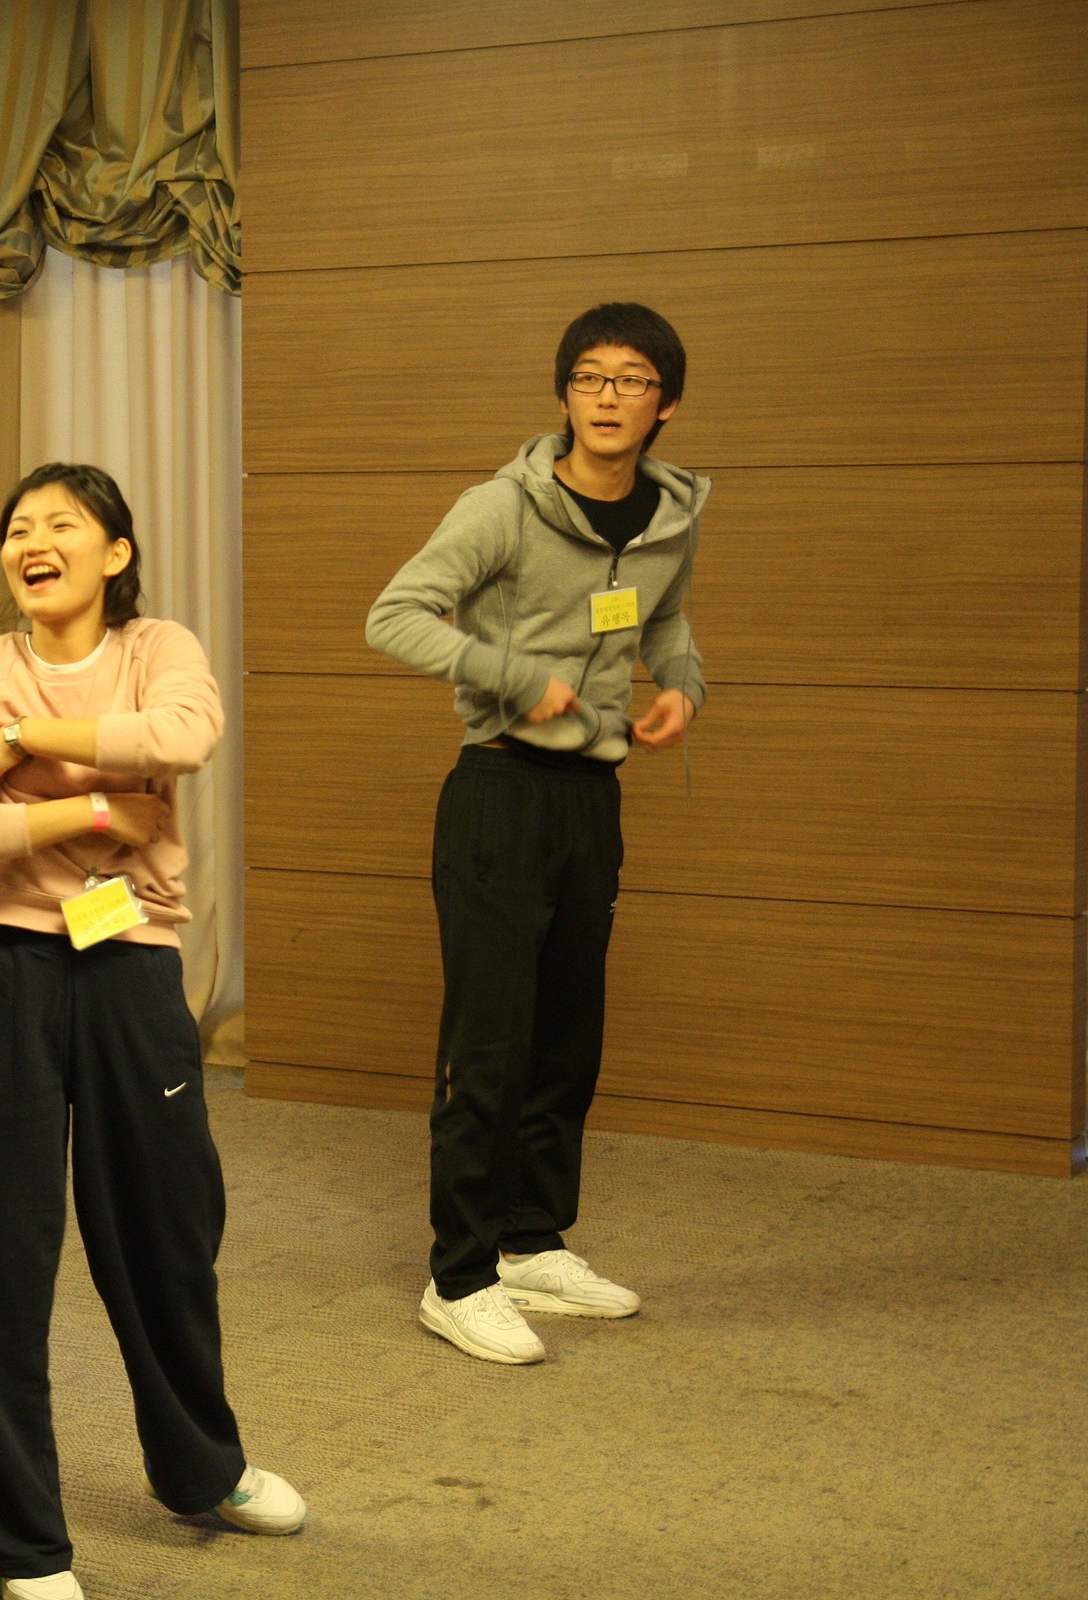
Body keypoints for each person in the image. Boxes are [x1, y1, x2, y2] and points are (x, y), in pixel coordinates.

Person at [0, 463, 306, 1600]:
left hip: (130, 966)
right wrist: (83, 806)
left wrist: (23, 742)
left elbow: (182, 734)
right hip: (5, 976)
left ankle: (202, 1467)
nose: (33, 542)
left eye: (61, 524)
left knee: (167, 1233)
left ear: (115, 552)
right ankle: (20, 1543)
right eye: (18, 528)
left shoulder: (156, 647)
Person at [364, 301, 708, 1365]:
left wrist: (682, 686)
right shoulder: (503, 507)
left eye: (632, 380)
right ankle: (459, 1274)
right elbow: (394, 615)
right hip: (500, 792)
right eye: (590, 378)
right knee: (491, 1043)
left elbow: (666, 622)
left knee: (566, 1036)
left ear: (664, 404)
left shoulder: (671, 514)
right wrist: (515, 677)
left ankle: (530, 1240)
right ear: (564, 395)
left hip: (590, 801)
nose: (609, 397)